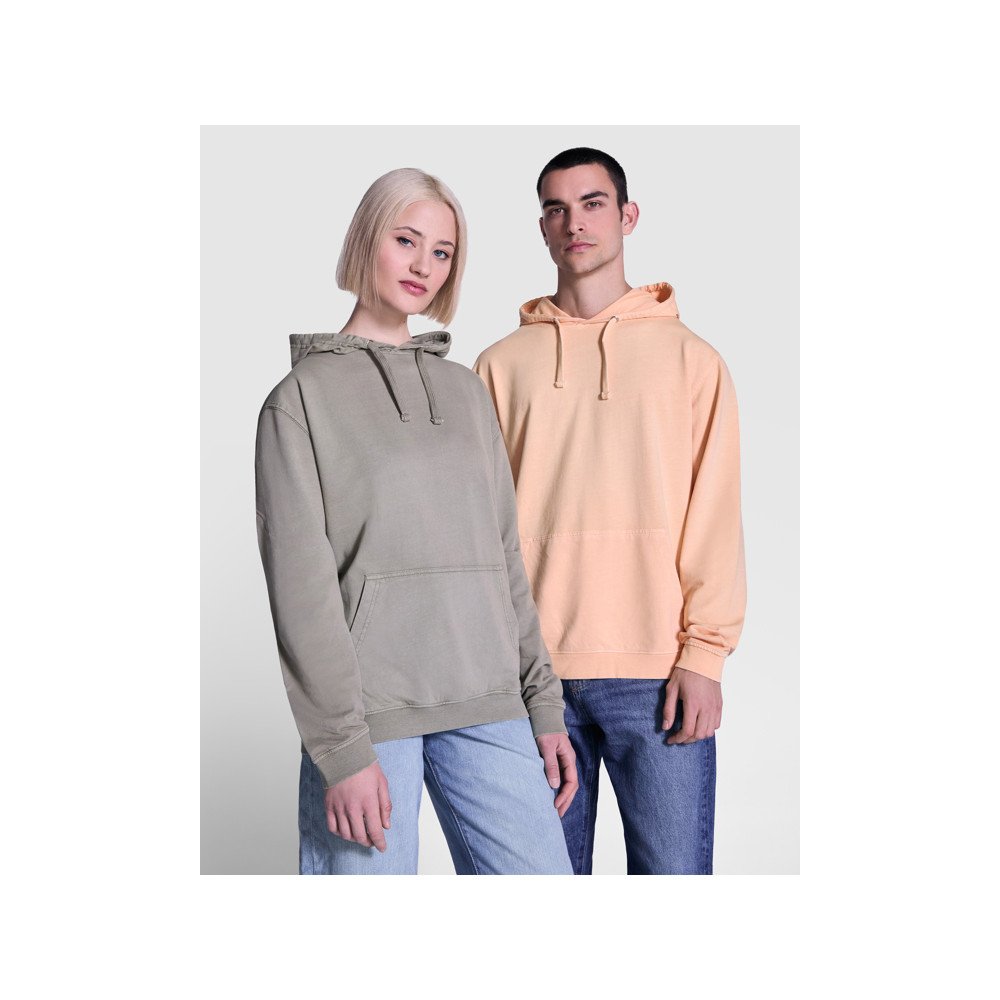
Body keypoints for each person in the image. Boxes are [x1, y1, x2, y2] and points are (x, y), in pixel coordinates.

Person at [255, 167, 576, 875]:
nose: (423, 266)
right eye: (406, 240)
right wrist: (340, 749)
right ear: (367, 237)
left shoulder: (466, 393)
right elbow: (301, 592)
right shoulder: (300, 399)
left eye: (442, 252)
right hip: (372, 720)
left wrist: (542, 705)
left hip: (491, 702)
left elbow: (505, 560)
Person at [473, 148, 746, 875]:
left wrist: (706, 656)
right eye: (557, 209)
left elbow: (714, 516)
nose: (575, 223)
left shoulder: (692, 360)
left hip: (657, 675)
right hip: (531, 680)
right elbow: (480, 526)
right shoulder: (499, 366)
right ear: (542, 227)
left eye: (592, 203)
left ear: (627, 216)